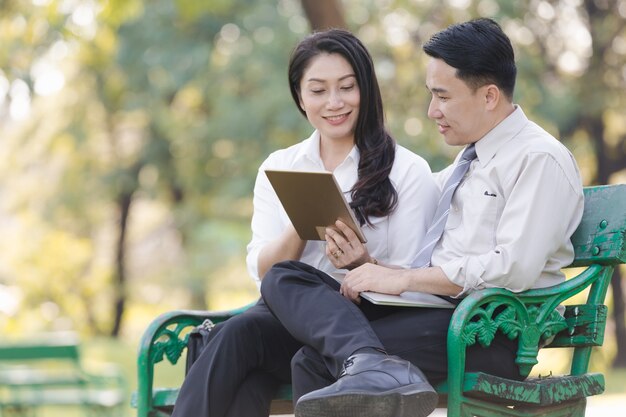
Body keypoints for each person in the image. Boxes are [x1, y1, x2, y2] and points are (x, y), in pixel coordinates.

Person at [260, 18, 584, 417]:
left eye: (443, 97)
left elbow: (512, 268)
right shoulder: (465, 166)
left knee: (318, 361)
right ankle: (369, 362)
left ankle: (371, 363)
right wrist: (369, 266)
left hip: (491, 330)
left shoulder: (537, 159)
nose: (432, 111)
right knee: (287, 279)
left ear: (488, 96)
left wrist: (403, 278)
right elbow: (429, 261)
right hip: (444, 318)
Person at [171, 29, 438, 417]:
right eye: (317, 90)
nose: (334, 103)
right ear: (300, 96)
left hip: (371, 321)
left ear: (365, 89)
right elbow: (264, 272)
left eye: (346, 87)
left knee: (282, 285)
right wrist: (303, 216)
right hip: (292, 325)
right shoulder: (280, 166)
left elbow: (416, 281)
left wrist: (363, 264)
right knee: (244, 327)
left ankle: (368, 362)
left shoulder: (407, 170)